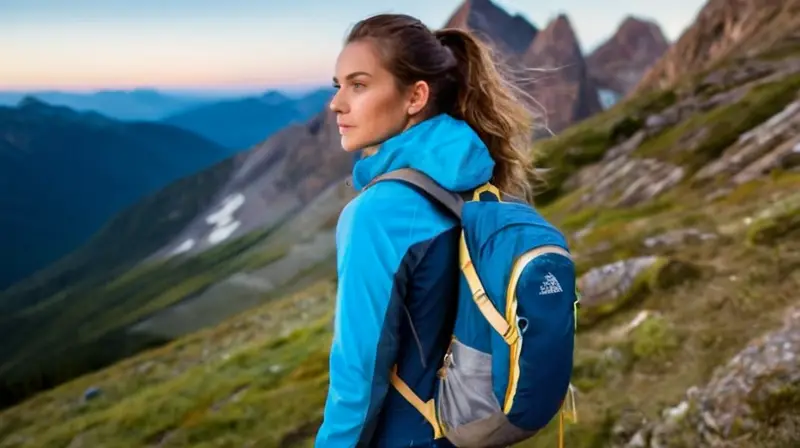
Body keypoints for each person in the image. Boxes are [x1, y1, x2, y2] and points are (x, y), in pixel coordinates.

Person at [316, 13, 544, 448]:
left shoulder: (377, 214)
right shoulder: (475, 179)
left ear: (416, 96)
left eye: (359, 85)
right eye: (337, 85)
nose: (337, 103)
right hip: (460, 426)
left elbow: (358, 373)